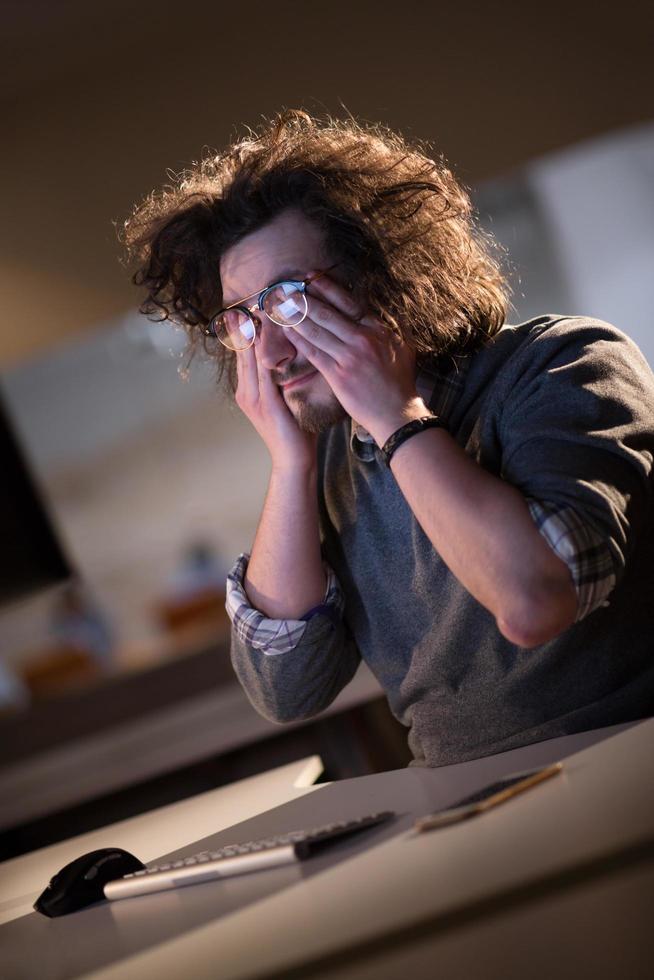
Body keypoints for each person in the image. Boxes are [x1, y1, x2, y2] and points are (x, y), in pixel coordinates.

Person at [123, 111, 654, 766]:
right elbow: (287, 692)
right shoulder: (330, 461)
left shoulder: (566, 361)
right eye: (247, 319)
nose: (275, 349)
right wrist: (290, 465)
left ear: (388, 271)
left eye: (291, 299)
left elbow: (533, 602)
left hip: (624, 761)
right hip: (462, 804)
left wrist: (397, 418)